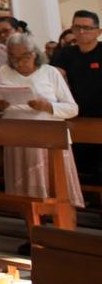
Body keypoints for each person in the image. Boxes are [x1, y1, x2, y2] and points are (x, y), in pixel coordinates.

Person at [0, 33, 83, 209]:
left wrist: (47, 106)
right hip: (17, 139)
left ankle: (61, 221)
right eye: (14, 57)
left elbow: (72, 109)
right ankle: (31, 222)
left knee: (55, 189)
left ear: (34, 53)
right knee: (25, 194)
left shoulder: (50, 72)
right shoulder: (4, 71)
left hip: (49, 139)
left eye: (24, 57)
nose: (19, 62)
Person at [51, 10, 102, 186]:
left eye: (87, 28)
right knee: (78, 165)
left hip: (100, 115)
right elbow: (55, 79)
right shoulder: (64, 54)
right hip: (75, 115)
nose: (81, 32)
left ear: (98, 31)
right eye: (77, 27)